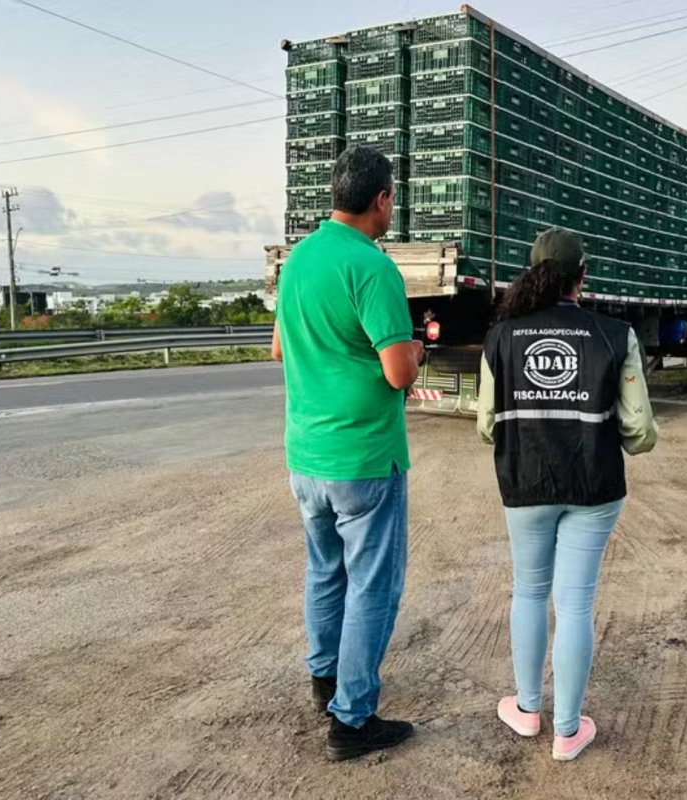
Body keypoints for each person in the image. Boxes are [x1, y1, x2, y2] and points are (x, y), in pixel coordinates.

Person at [477, 229, 659, 762]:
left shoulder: (501, 337)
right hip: (594, 485)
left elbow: (487, 426)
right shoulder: (615, 334)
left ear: (532, 272)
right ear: (583, 275)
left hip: (523, 483)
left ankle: (527, 710)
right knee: (575, 602)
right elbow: (640, 433)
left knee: (529, 593)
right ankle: (567, 731)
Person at [273, 146, 425, 762]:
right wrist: (415, 351)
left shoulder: (297, 261)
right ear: (382, 199)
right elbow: (395, 373)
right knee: (373, 586)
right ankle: (352, 719)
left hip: (306, 456)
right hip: (363, 457)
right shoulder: (373, 267)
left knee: (324, 571)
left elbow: (280, 352)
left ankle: (325, 678)